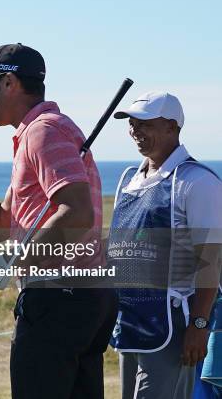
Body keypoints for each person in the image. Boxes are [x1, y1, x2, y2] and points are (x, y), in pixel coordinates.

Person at [0, 43, 118, 399]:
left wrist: (22, 257)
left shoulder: (43, 131)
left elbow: (76, 212)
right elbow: (3, 222)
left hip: (59, 297)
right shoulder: (39, 132)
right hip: (77, 297)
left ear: (9, 82)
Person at [107, 91, 222, 399]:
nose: (135, 131)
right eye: (132, 123)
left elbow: (211, 260)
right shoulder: (129, 179)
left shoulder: (198, 181)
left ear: (172, 127)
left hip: (173, 326)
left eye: (145, 124)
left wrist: (199, 325)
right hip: (129, 322)